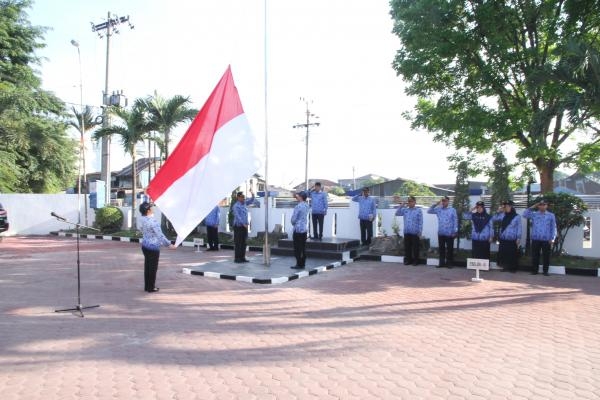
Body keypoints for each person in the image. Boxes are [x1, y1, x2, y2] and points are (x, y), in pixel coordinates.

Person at [138, 202, 175, 293]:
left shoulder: (142, 219)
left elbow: (141, 229)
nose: (153, 208)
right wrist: (169, 244)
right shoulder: (153, 221)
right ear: (148, 210)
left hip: (145, 245)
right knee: (153, 267)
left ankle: (147, 286)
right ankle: (151, 287)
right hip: (153, 247)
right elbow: (160, 235)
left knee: (147, 266)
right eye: (151, 207)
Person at [523, 198, 557, 276]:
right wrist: (532, 206)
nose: (542, 206)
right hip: (536, 238)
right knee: (535, 255)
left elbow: (553, 227)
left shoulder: (551, 215)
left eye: (544, 205)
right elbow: (524, 214)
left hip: (546, 239)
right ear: (538, 206)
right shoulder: (534, 214)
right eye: (540, 205)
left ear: (547, 206)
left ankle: (545, 271)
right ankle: (534, 270)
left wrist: (552, 238)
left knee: (546, 256)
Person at [491, 200, 522, 273]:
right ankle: (505, 267)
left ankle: (513, 268)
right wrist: (498, 211)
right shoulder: (502, 215)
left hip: (512, 238)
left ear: (511, 207)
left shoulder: (517, 216)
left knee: (512, 253)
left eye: (508, 206)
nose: (506, 208)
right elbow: (493, 219)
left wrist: (518, 237)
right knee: (504, 253)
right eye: (505, 206)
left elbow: (519, 228)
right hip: (503, 238)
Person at [428, 196, 458, 268]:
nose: (444, 202)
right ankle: (441, 263)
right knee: (441, 249)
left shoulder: (452, 210)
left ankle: (449, 263)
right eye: (443, 201)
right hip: (441, 233)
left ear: (448, 201)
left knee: (449, 249)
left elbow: (455, 221)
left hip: (449, 233)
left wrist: (455, 231)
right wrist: (435, 204)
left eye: (445, 201)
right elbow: (429, 211)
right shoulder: (438, 209)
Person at [394, 195, 423, 265]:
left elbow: (420, 221)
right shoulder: (405, 210)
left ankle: (416, 261)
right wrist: (402, 205)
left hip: (415, 232)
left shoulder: (418, 210)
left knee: (415, 247)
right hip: (407, 231)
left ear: (414, 202)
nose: (409, 203)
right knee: (407, 247)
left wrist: (420, 231)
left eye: (411, 201)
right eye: (408, 201)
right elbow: (397, 213)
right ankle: (408, 260)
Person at [232, 190, 255, 263]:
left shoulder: (244, 203)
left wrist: (252, 194)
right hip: (238, 226)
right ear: (238, 197)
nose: (243, 198)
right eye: (242, 197)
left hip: (244, 226)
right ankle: (237, 258)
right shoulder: (236, 206)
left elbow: (251, 200)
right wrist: (243, 223)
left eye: (244, 197)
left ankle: (242, 257)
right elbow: (238, 216)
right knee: (238, 242)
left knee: (244, 242)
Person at [290, 191, 310, 269]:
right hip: (304, 228)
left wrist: (292, 222)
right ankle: (303, 263)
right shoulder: (306, 205)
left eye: (298, 196)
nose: (297, 197)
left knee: (297, 248)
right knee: (303, 247)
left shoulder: (298, 206)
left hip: (298, 229)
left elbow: (294, 219)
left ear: (301, 197)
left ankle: (299, 264)